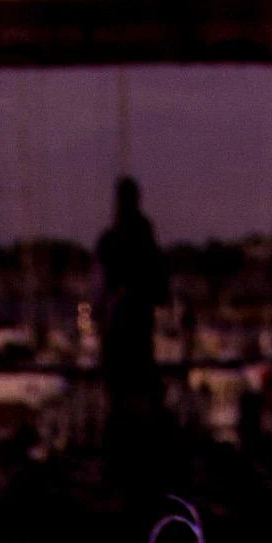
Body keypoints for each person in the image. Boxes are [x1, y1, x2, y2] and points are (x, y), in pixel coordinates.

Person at [96, 173, 166, 415]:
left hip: (121, 335)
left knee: (121, 405)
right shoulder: (144, 242)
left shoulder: (110, 242)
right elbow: (161, 290)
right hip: (135, 334)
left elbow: (99, 295)